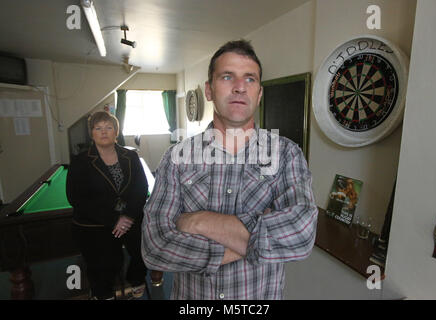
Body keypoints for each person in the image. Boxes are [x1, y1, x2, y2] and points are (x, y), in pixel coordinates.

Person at [141, 40, 318, 299]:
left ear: (259, 93)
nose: (239, 88)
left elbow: (300, 236)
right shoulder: (177, 157)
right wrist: (264, 234)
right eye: (227, 77)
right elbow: (155, 245)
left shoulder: (286, 154)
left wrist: (197, 221)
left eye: (250, 79)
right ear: (209, 90)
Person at [66, 111, 148, 300]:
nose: (104, 132)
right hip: (96, 221)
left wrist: (127, 217)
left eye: (108, 127)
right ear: (92, 133)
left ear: (116, 131)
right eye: (98, 128)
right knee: (106, 262)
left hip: (129, 216)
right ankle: (102, 293)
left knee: (144, 248)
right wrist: (114, 220)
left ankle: (136, 278)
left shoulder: (131, 156)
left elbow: (140, 188)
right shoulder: (81, 161)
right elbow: (76, 198)